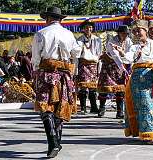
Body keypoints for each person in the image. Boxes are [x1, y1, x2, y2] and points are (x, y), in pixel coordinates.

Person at [31, 6, 81, 158]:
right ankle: (56, 141)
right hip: (64, 74)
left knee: (46, 107)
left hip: (46, 73)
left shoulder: (41, 33)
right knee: (61, 106)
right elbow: (76, 53)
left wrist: (35, 71)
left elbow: (36, 58)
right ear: (60, 19)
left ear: (47, 18)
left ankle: (53, 142)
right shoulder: (69, 34)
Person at [97, 25, 133, 118]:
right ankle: (101, 108)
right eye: (123, 33)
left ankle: (120, 111)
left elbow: (129, 54)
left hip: (121, 66)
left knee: (120, 89)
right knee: (105, 88)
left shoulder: (128, 41)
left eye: (126, 34)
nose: (125, 35)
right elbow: (115, 56)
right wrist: (123, 68)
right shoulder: (112, 41)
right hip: (109, 66)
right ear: (119, 33)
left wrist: (128, 65)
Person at [76, 20, 102, 114]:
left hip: (93, 65)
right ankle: (83, 107)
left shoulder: (97, 39)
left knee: (93, 86)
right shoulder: (79, 40)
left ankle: (94, 106)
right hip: (83, 64)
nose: (89, 29)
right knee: (83, 86)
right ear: (83, 29)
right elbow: (77, 55)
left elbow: (99, 54)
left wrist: (99, 67)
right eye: (87, 27)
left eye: (90, 27)